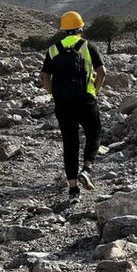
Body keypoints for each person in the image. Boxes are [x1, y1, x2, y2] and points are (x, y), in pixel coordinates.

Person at [40, 11, 106, 203]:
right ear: (80, 28)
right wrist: (95, 90)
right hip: (85, 99)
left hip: (63, 102)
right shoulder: (87, 46)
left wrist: (53, 94)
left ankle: (73, 190)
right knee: (94, 133)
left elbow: (44, 76)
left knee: (70, 142)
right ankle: (87, 169)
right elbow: (102, 72)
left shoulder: (53, 49)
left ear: (63, 29)